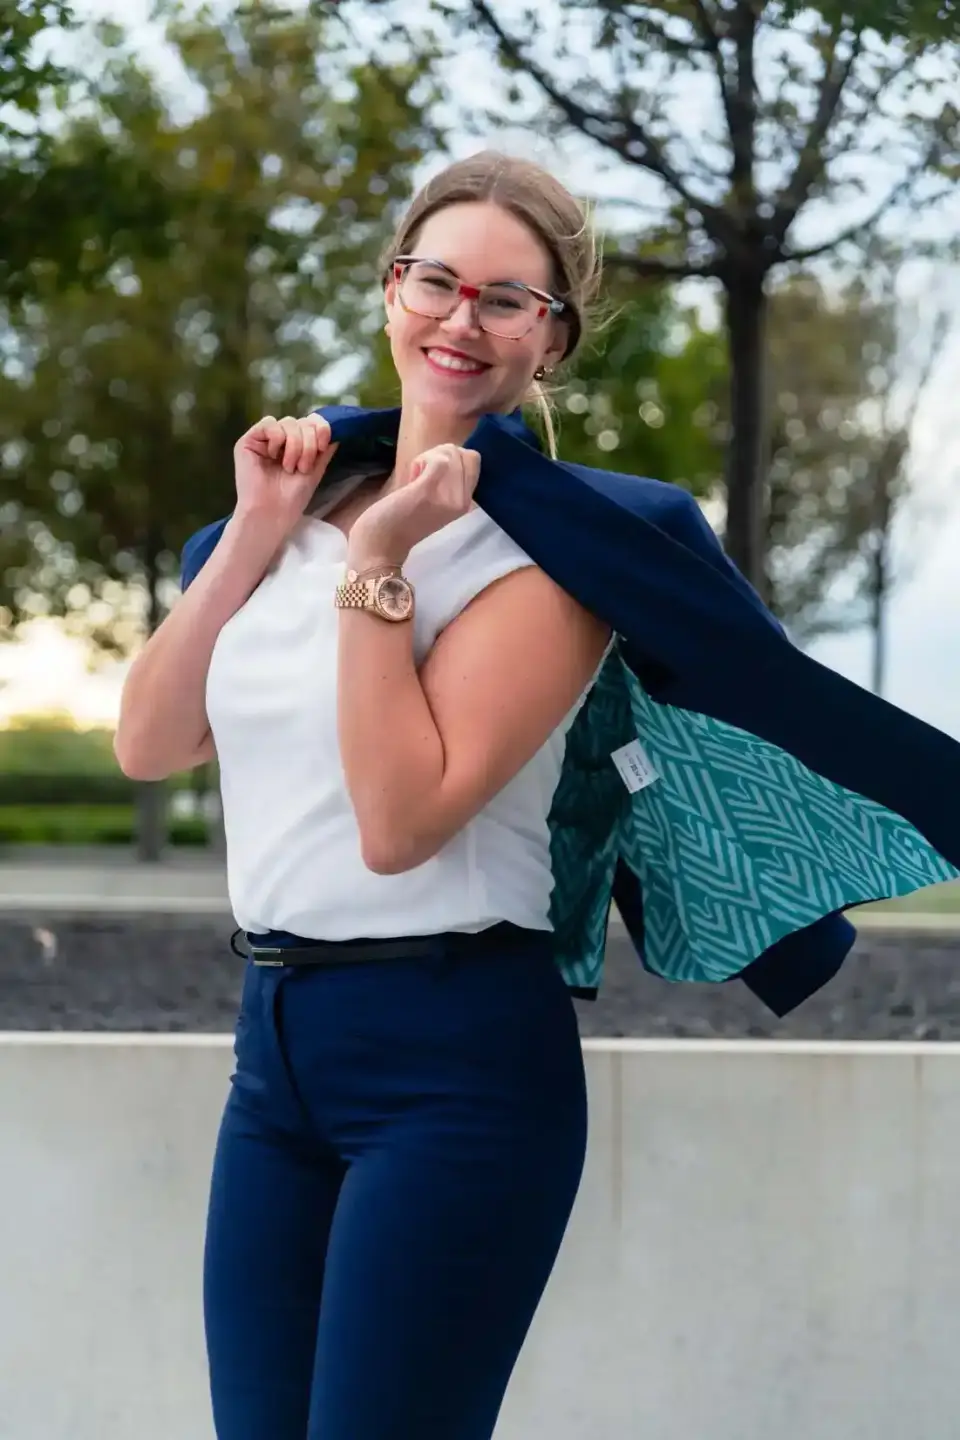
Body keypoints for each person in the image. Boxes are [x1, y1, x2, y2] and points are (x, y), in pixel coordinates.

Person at [114, 150, 618, 1440]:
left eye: (510, 299)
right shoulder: (288, 500)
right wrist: (252, 536)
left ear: (551, 342)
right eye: (437, 279)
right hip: (274, 1046)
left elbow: (401, 824)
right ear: (392, 291)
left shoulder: (552, 558)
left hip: (455, 1058)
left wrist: (379, 566)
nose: (464, 317)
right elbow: (152, 742)